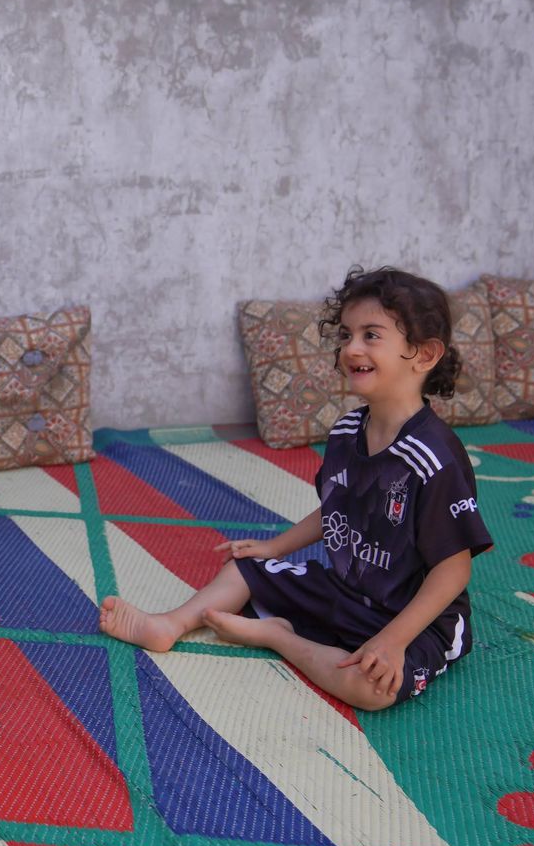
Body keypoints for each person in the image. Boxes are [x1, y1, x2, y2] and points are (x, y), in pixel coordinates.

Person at [100, 266, 491, 709]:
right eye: (346, 335)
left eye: (371, 335)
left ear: (423, 355)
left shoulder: (433, 457)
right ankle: (168, 624)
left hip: (416, 620)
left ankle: (278, 637)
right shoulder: (346, 432)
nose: (352, 348)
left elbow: (454, 569)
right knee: (244, 568)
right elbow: (338, 510)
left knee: (371, 691)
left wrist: (394, 641)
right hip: (345, 593)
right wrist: (275, 547)